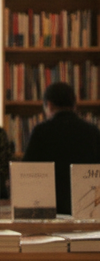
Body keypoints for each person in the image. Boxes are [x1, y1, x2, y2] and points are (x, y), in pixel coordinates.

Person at [22, 80, 100, 214]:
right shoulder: (93, 132)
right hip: (86, 209)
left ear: (49, 105)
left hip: (49, 209)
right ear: (74, 106)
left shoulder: (41, 132)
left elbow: (26, 172)